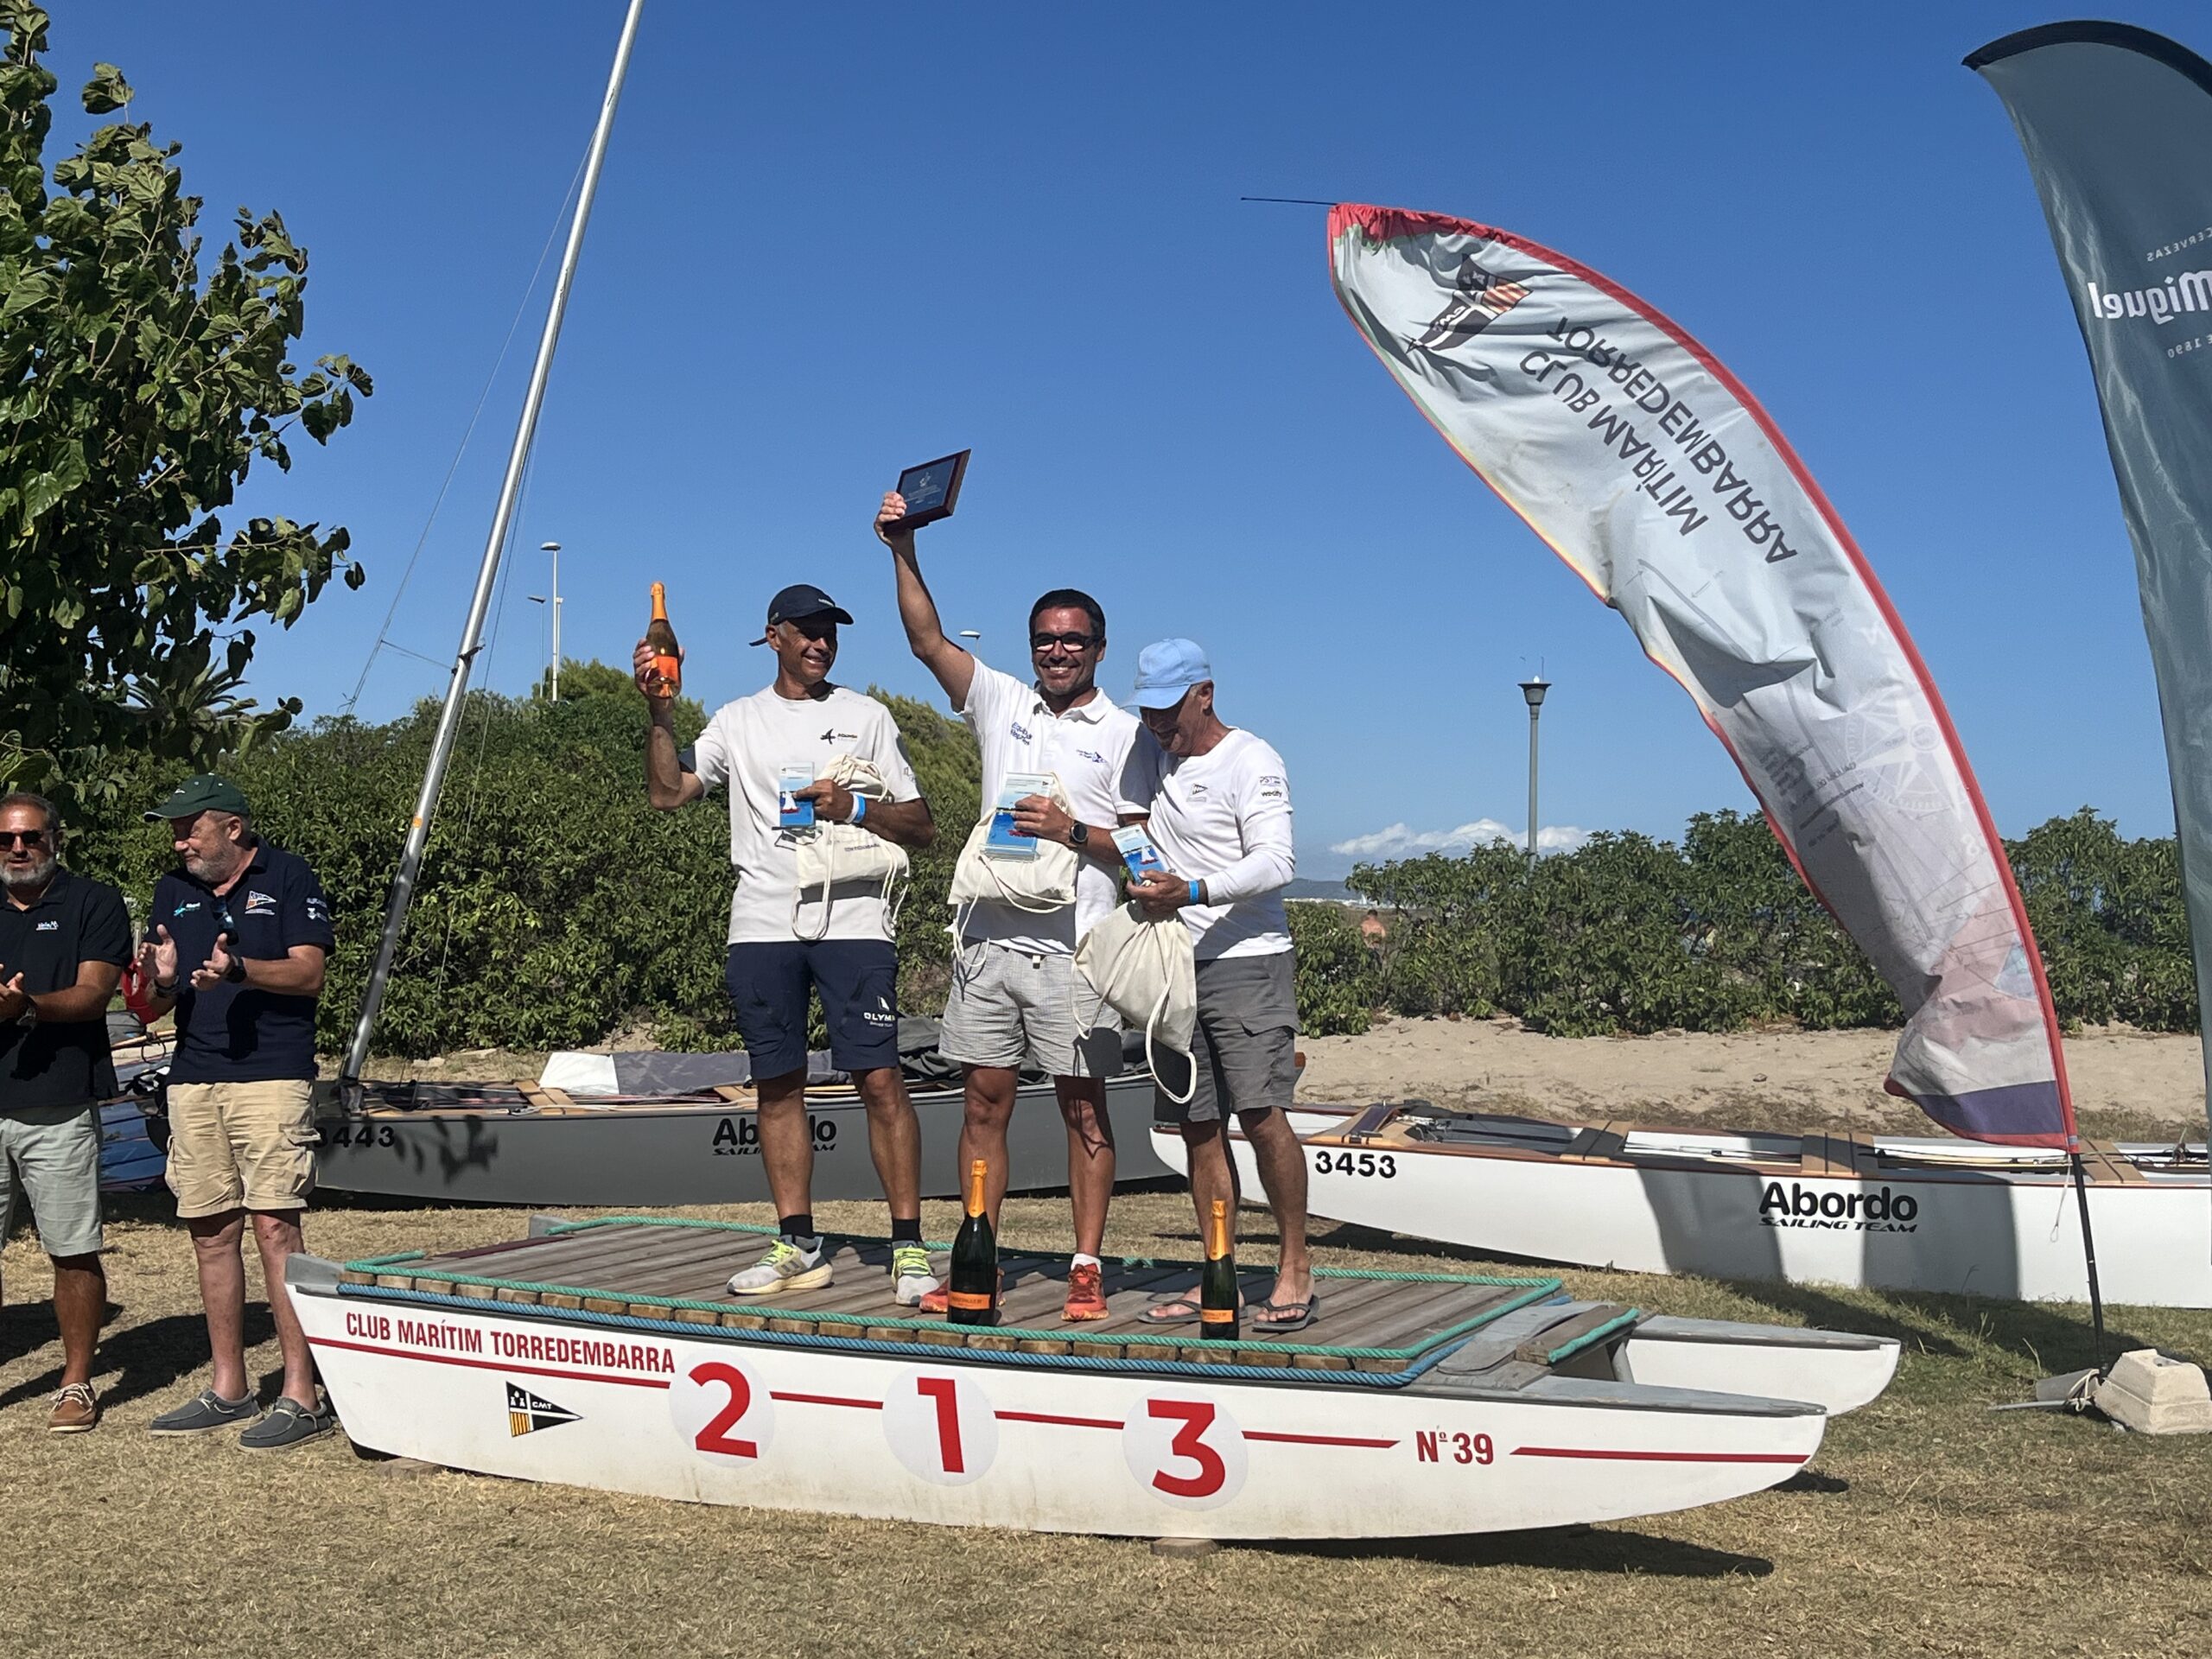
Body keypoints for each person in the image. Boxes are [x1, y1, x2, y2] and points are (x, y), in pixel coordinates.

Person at [636, 582, 941, 1303]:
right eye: (806, 630)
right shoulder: (737, 720)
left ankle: (909, 1248)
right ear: (773, 637)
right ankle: (797, 1243)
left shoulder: (866, 716)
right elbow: (667, 793)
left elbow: (923, 827)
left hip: (855, 922)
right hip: (763, 926)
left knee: (880, 1079)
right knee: (777, 1085)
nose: (820, 643)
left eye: (830, 631)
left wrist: (854, 806)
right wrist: (659, 713)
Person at [877, 491, 1141, 1321]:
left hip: (1077, 951)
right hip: (988, 943)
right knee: (982, 1103)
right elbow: (926, 640)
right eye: (1045, 640)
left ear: (1099, 649)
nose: (1057, 652)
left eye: (1073, 641)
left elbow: (1144, 856)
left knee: (1082, 1108)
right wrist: (902, 547)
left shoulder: (1127, 734)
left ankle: (1086, 1267)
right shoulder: (1001, 700)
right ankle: (977, 1256)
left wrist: (1071, 831)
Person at [1116, 641, 1315, 1330]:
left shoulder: (1252, 759)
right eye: (1147, 711)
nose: (1157, 724)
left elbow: (1277, 862)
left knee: (1261, 1116)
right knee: (1197, 1125)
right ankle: (1219, 1273)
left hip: (1248, 960)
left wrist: (1193, 890)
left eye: (1168, 710)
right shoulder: (1149, 750)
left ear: (1204, 694)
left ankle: (1295, 1268)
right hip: (1173, 965)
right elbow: (1131, 824)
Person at [135, 774, 339, 1448]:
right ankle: (229, 1388)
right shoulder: (172, 889)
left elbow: (309, 972)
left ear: (232, 828)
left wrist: (241, 969)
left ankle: (301, 1395)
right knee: (210, 1231)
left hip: (271, 1075)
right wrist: (162, 981)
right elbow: (152, 1004)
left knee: (275, 1227)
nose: (179, 842)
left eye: (189, 829)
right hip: (194, 1078)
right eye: (175, 831)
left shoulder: (288, 875)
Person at [0, 792, 131, 1432]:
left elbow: (95, 993)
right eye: (6, 839)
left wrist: (25, 1008)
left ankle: (76, 1382)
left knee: (72, 1250)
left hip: (58, 1103)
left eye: (31, 837)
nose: (18, 848)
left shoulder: (94, 901)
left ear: (56, 838)